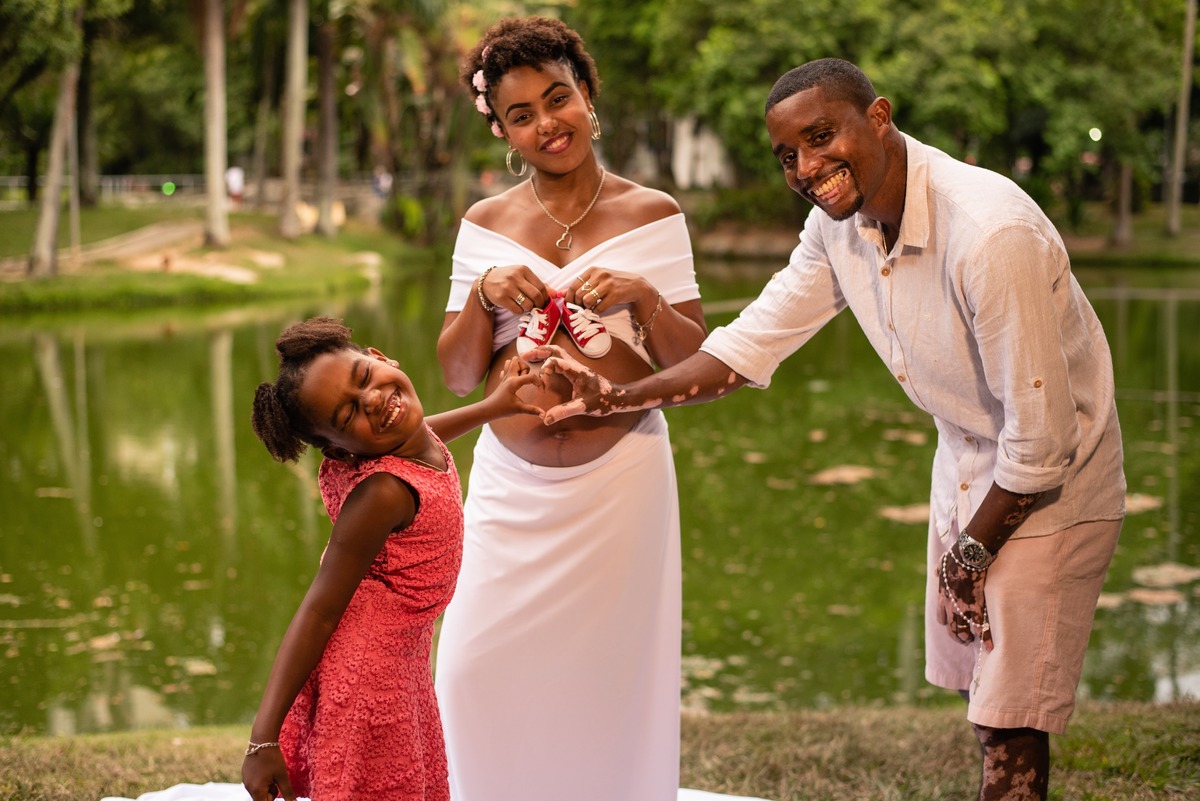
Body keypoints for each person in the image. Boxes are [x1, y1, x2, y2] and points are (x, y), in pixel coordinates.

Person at [535, 58, 1126, 801]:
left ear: (878, 117)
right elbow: (750, 344)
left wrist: (969, 552)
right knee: (988, 699)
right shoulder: (835, 228)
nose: (808, 168)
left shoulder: (989, 234)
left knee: (1013, 722)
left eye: (821, 137)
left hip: (1052, 483)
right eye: (789, 154)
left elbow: (1040, 444)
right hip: (969, 460)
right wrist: (612, 397)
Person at [433, 16, 708, 801]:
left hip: (619, 484)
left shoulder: (652, 215)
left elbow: (692, 362)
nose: (547, 123)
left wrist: (644, 295)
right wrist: (483, 300)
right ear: (505, 133)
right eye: (522, 114)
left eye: (558, 99)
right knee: (472, 668)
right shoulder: (484, 226)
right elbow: (456, 377)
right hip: (508, 493)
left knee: (608, 683)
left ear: (587, 95)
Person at [240, 316, 543, 801]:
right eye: (347, 416)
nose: (376, 401)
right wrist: (262, 737)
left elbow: (428, 433)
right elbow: (318, 610)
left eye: (363, 378)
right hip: (369, 674)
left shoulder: (403, 444)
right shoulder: (382, 493)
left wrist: (492, 406)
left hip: (400, 658)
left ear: (380, 357)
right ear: (339, 450)